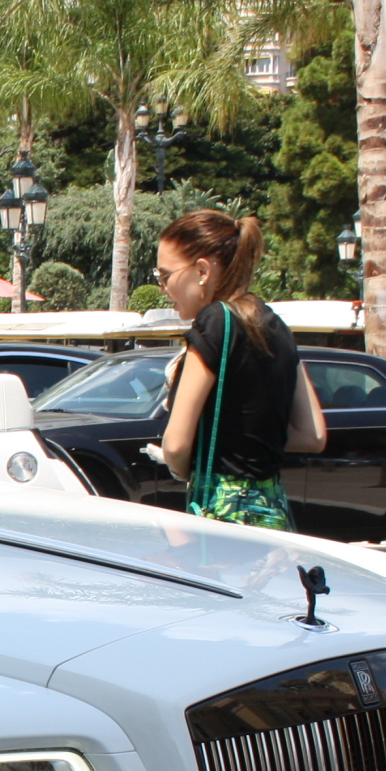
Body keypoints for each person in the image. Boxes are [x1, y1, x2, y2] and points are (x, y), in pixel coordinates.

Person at [152, 210, 326, 531]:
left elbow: (175, 445)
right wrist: (247, 446)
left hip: (223, 518)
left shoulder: (215, 321)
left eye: (165, 276)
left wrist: (182, 465)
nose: (163, 287)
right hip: (273, 513)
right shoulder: (275, 325)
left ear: (202, 271)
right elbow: (313, 436)